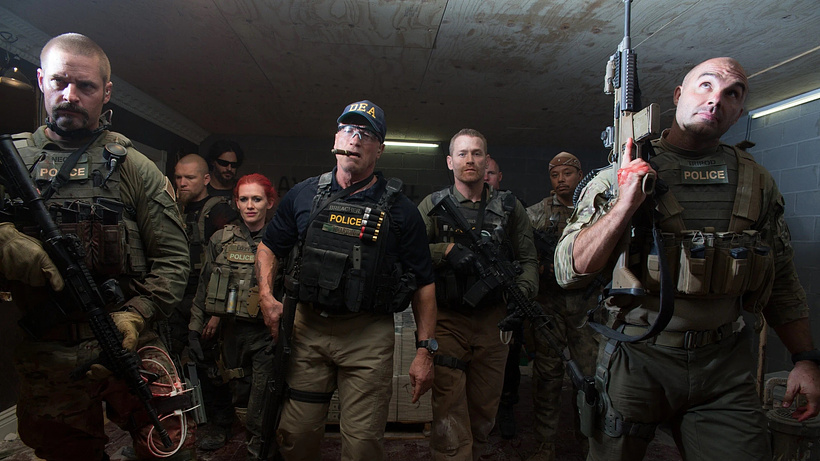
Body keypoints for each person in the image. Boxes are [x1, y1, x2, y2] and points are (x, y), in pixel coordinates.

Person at [554, 57, 820, 460]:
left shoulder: (756, 182)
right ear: (678, 95)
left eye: (732, 94)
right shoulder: (619, 175)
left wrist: (805, 359)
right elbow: (568, 270)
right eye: (706, 85)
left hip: (724, 366)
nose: (716, 100)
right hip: (639, 356)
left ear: (739, 112)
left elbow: (781, 277)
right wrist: (624, 205)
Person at [0, 33, 194, 460]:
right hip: (49, 351)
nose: (71, 95)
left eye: (85, 86)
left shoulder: (134, 167)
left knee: (171, 447)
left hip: (129, 337)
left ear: (106, 92)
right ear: (41, 81)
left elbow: (174, 261)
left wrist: (135, 314)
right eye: (60, 82)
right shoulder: (10, 160)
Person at [255, 100, 437, 460]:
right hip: (307, 329)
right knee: (295, 435)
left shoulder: (401, 210)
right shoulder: (304, 194)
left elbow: (424, 283)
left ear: (379, 149)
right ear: (336, 138)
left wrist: (424, 351)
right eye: (349, 130)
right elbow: (269, 246)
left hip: (367, 335)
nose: (355, 139)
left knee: (363, 445)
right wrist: (265, 296)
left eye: (367, 134)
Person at [418, 129, 538, 460]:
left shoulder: (509, 207)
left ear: (486, 161)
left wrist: (522, 296)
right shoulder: (433, 204)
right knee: (448, 411)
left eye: (476, 153)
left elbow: (528, 260)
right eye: (462, 153)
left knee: (484, 410)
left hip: (493, 321)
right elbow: (408, 252)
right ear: (450, 162)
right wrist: (445, 251)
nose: (469, 160)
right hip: (447, 321)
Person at [189, 173, 277, 459]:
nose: (250, 205)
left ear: (269, 202)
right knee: (240, 396)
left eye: (257, 199)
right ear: (236, 203)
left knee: (261, 401)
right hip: (231, 335)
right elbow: (204, 286)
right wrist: (195, 327)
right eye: (244, 199)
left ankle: (259, 452)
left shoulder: (281, 240)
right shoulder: (221, 239)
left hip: (265, 335)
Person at [525, 152, 598, 461]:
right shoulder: (535, 214)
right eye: (555, 175)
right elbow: (524, 256)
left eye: (567, 173)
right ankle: (545, 445)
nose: (561, 180)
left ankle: (590, 444)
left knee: (590, 378)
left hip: (587, 306)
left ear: (580, 174)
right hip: (549, 306)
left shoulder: (595, 209)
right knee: (547, 377)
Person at [172, 153, 238, 450]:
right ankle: (177, 425)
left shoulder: (220, 212)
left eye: (190, 178)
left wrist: (217, 312)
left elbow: (232, 265)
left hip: (208, 298)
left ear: (206, 179)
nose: (182, 183)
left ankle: (219, 423)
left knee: (210, 364)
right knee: (171, 364)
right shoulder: (172, 209)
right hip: (175, 297)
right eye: (178, 177)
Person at [482, 155, 523, 440]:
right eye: (482, 173)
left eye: (491, 173)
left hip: (507, 297)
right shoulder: (463, 207)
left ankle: (506, 407)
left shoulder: (513, 209)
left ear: (500, 177)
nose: (486, 177)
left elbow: (526, 253)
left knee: (509, 360)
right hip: (475, 296)